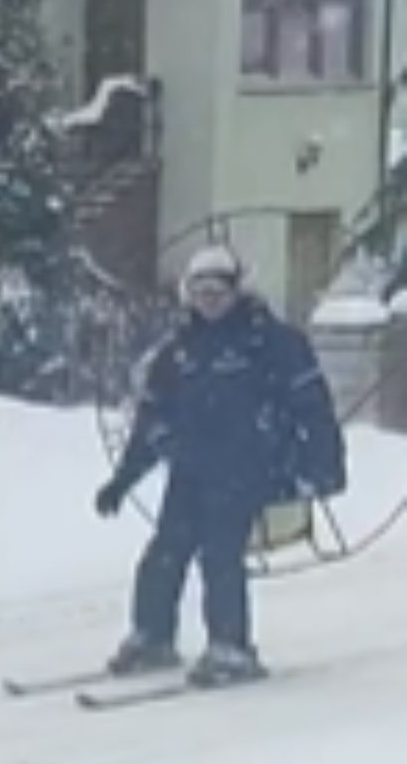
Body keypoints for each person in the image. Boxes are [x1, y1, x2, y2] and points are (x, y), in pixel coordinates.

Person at [94, 244, 345, 686]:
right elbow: (152, 421)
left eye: (218, 291)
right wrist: (122, 480)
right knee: (164, 554)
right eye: (200, 292)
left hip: (247, 468)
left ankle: (231, 647)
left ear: (236, 292)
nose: (209, 301)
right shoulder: (178, 353)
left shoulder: (271, 343)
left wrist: (324, 467)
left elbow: (313, 408)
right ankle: (152, 637)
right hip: (190, 469)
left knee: (221, 556)